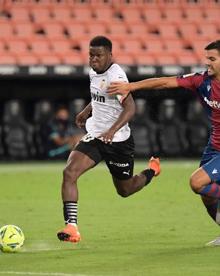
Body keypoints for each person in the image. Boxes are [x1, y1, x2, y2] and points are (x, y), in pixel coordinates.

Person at [108, 39, 220, 246]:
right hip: (214, 147)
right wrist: (131, 86)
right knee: (208, 198)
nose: (207, 63)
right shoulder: (201, 81)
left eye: (212, 59)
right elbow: (164, 81)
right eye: (207, 58)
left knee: (197, 182)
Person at [57, 36, 161, 243]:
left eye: (99, 55)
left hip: (118, 141)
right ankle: (72, 227)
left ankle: (152, 170)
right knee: (70, 172)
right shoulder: (93, 72)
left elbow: (130, 108)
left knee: (125, 189)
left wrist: (112, 131)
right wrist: (86, 111)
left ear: (110, 55)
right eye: (91, 55)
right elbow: (99, 95)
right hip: (96, 135)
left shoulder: (117, 78)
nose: (94, 59)